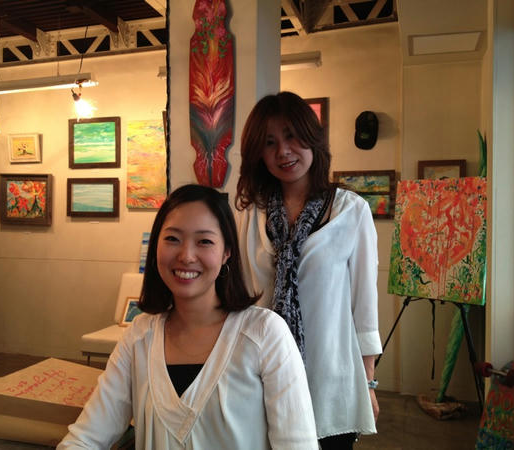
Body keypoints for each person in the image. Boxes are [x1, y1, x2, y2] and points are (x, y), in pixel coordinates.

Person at [58, 184, 318, 450]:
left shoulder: (264, 332)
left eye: (204, 241)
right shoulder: (139, 336)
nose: (186, 256)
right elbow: (86, 438)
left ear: (226, 252)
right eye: (173, 239)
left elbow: (298, 444)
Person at [235, 92, 383, 449]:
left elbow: (364, 307)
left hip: (330, 379)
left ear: (312, 137)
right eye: (269, 142)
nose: (283, 151)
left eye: (291, 136)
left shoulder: (350, 210)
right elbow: (243, 296)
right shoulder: (251, 213)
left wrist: (368, 383)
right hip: (262, 374)